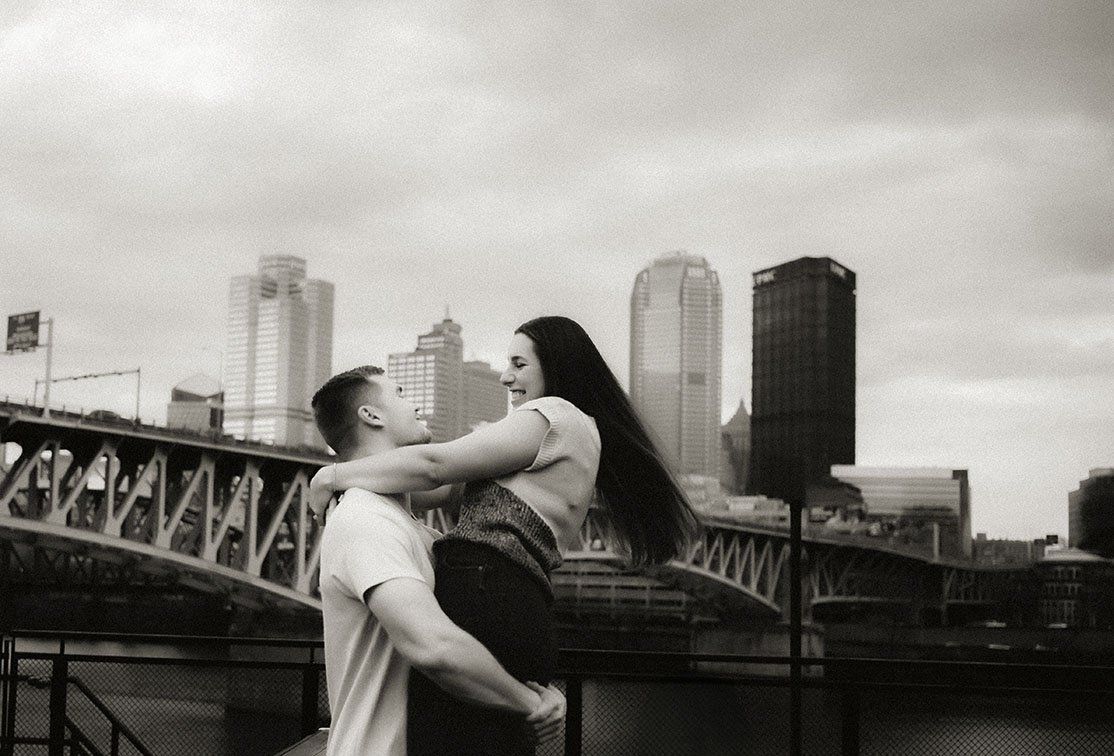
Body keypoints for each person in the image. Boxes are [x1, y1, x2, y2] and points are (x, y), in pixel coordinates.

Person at [310, 315, 700, 755]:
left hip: (485, 587)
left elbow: (434, 468)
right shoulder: (568, 438)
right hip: (518, 602)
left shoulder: (552, 414)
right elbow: (433, 485)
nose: (504, 376)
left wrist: (334, 475)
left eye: (518, 363)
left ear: (555, 366)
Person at [311, 365, 565, 756]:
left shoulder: (417, 533)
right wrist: (533, 704)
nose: (413, 404)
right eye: (398, 392)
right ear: (371, 415)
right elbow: (432, 645)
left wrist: (534, 690)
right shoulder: (364, 518)